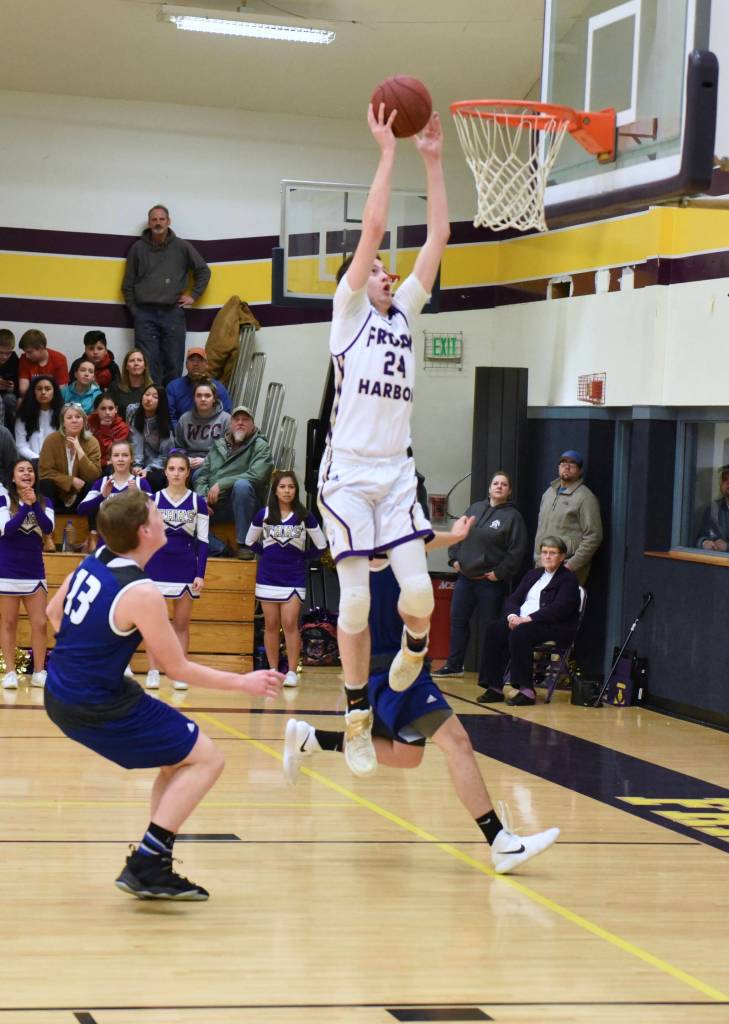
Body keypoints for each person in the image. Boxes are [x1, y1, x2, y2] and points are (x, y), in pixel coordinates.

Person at [283, 517, 560, 875]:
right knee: (457, 742)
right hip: (389, 672)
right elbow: (415, 542)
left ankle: (312, 739)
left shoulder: (398, 551)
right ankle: (500, 843)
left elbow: (419, 541)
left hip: (403, 669)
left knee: (406, 756)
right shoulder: (355, 557)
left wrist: (455, 536)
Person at [43, 488, 283, 900]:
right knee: (208, 758)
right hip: (96, 702)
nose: (163, 517)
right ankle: (147, 863)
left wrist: (86, 655)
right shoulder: (141, 592)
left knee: (180, 759)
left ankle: (154, 862)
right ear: (144, 530)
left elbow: (52, 613)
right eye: (156, 512)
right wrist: (244, 682)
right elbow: (177, 669)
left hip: (63, 689)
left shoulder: (94, 559)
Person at [316, 104, 450, 777]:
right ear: (355, 279)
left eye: (388, 271)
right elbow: (372, 227)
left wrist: (432, 158)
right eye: (375, 270)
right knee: (358, 601)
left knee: (420, 600)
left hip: (395, 473)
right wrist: (387, 150)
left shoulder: (405, 316)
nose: (386, 273)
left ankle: (408, 663)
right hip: (345, 475)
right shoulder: (346, 314)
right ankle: (354, 716)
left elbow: (439, 235)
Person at [434, 471, 528, 684]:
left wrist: (500, 573)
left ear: (509, 491)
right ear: (489, 488)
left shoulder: (513, 517)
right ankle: (454, 665)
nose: (499, 487)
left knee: (490, 628)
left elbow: (517, 551)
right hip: (465, 579)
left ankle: (490, 671)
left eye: (504, 484)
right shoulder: (475, 508)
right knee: (458, 621)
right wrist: (453, 559)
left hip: (490, 582)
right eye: (495, 483)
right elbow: (459, 534)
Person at [245, 470, 327, 688]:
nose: (287, 491)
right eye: (282, 487)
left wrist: (302, 557)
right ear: (275, 490)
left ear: (296, 490)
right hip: (268, 576)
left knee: (289, 623)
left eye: (291, 487)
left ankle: (291, 671)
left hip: (294, 577)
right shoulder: (263, 514)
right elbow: (249, 540)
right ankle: (272, 671)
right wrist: (269, 555)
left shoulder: (304, 515)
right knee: (270, 624)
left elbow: (321, 545)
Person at [479, 536, 581, 707]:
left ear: (562, 557)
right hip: (521, 620)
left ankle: (526, 690)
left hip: (552, 624)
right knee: (494, 629)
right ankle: (494, 686)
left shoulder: (568, 579)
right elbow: (514, 599)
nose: (547, 556)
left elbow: (559, 608)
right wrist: (512, 616)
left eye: (553, 553)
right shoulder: (533, 574)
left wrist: (527, 619)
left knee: (521, 633)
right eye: (544, 552)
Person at [122, 204, 211, 385]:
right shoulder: (138, 248)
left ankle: (170, 409)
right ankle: (150, 406)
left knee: (173, 363)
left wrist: (193, 295)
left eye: (162, 219)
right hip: (144, 314)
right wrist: (135, 311)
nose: (158, 223)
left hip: (173, 313)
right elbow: (127, 285)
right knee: (147, 364)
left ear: (168, 221)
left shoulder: (182, 247)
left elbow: (203, 271)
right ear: (149, 223)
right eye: (154, 219)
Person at [143, 452, 209, 692]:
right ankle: (152, 670)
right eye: (172, 469)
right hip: (156, 566)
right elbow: (146, 537)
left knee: (181, 623)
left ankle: (180, 671)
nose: (176, 473)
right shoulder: (154, 499)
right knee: (154, 623)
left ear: (188, 473)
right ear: (165, 472)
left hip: (185, 566)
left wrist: (200, 573)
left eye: (181, 469)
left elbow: (203, 541)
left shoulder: (197, 501)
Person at [0, 459, 54, 690]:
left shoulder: (45, 501)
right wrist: (24, 507)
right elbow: (7, 530)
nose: (26, 473)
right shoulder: (4, 500)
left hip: (34, 572)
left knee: (40, 623)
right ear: (13, 477)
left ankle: (39, 672)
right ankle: (10, 671)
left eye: (30, 470)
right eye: (21, 470)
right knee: (9, 622)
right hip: (8, 570)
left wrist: (34, 505)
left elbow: (48, 528)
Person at [193, 405, 273, 559]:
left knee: (241, 485)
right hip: (216, 504)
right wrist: (202, 499)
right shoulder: (219, 445)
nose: (240, 423)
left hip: (245, 506)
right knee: (184, 514)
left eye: (245, 420)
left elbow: (257, 475)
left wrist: (222, 484)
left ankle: (243, 545)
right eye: (237, 419)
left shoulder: (260, 446)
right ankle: (221, 549)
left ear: (252, 425)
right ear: (230, 424)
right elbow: (202, 475)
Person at [534, 450, 603, 585]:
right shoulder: (548, 493)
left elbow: (594, 536)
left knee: (562, 605)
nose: (567, 466)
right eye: (563, 462)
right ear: (558, 467)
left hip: (566, 568)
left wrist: (571, 565)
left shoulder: (585, 497)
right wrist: (537, 558)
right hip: (542, 565)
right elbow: (541, 528)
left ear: (579, 471)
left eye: (573, 463)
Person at [78, 440, 153, 536]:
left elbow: (154, 512)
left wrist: (138, 497)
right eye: (116, 455)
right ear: (110, 459)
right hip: (107, 540)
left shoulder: (140, 483)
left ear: (131, 459)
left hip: (132, 540)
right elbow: (81, 510)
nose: (120, 459)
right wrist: (102, 496)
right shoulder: (102, 483)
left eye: (125, 455)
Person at [38, 403, 102, 511]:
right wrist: (70, 481)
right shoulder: (51, 440)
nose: (74, 420)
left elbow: (94, 475)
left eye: (78, 417)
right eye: (69, 417)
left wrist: (79, 450)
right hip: (57, 492)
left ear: (84, 421)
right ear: (63, 422)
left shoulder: (92, 442)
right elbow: (45, 472)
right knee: (45, 483)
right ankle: (47, 522)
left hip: (81, 493)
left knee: (93, 485)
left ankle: (92, 527)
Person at [166, 347, 232, 429]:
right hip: (181, 433)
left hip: (211, 433)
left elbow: (226, 415)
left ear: (206, 365)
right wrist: (182, 435)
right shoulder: (173, 387)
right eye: (192, 360)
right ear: (186, 364)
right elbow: (170, 417)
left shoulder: (218, 388)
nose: (196, 364)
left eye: (200, 360)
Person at [174, 380, 230, 471]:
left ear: (214, 398)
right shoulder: (184, 419)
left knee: (198, 475)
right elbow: (178, 447)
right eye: (199, 395)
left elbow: (229, 451)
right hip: (188, 462)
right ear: (194, 398)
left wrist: (206, 461)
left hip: (214, 464)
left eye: (207, 395)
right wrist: (185, 459)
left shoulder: (226, 419)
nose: (203, 399)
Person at [130, 384, 175, 492]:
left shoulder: (165, 425)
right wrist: (137, 465)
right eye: (147, 394)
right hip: (137, 461)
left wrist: (148, 469)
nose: (149, 399)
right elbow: (136, 440)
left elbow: (165, 456)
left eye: (155, 397)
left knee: (153, 479)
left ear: (161, 402)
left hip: (157, 465)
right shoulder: (133, 412)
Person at [14, 375, 63, 464]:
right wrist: (38, 459)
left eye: (47, 389)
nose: (43, 392)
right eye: (39, 389)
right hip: (31, 462)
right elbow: (20, 445)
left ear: (54, 392)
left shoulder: (63, 415)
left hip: (57, 462)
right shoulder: (24, 415)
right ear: (33, 392)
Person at [17, 329, 69, 401]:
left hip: (53, 399)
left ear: (41, 348)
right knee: (20, 401)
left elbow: (62, 391)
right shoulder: (24, 358)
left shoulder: (60, 359)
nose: (27, 356)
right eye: (25, 352)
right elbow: (23, 390)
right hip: (32, 399)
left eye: (29, 352)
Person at [107, 349, 155, 422]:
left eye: (139, 360)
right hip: (121, 430)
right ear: (126, 366)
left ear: (145, 365)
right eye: (132, 360)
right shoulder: (115, 387)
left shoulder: (153, 388)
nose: (136, 363)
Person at [88, 393, 130, 469]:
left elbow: (111, 452)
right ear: (96, 410)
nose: (107, 412)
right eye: (103, 409)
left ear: (116, 409)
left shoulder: (122, 428)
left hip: (110, 464)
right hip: (90, 461)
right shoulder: (90, 421)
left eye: (111, 408)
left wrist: (104, 428)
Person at [696, 464, 729, 551]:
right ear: (720, 484)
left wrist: (727, 547)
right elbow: (701, 536)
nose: (728, 482)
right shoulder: (713, 508)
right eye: (725, 479)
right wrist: (704, 542)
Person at [0, 328, 19, 428]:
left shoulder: (14, 359)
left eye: (8, 353)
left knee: (10, 399)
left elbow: (19, 383)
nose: (4, 357)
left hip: (8, 395)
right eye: (1, 352)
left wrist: (13, 388)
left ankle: (12, 431)